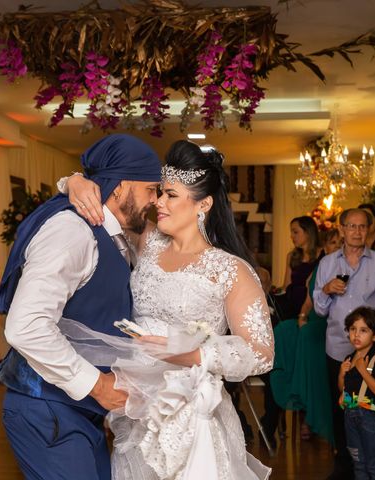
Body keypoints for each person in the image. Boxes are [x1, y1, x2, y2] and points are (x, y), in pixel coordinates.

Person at [66, 140, 274, 479]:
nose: (158, 202)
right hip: (133, 405)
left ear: (203, 203)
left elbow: (262, 353)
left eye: (171, 195)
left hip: (191, 413)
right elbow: (103, 205)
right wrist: (73, 181)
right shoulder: (145, 242)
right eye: (160, 192)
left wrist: (191, 355)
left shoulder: (229, 270)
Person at [0, 134, 162, 480]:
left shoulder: (109, 232)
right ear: (119, 188)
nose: (155, 200)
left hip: (76, 411)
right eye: (150, 189)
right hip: (46, 409)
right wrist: (98, 386)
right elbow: (25, 326)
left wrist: (72, 180)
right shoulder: (72, 232)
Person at [313, 208, 375, 480]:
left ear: (369, 230)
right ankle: (346, 466)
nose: (356, 231)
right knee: (342, 408)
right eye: (351, 226)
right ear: (341, 230)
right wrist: (326, 290)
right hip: (338, 348)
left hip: (373, 353)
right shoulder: (327, 263)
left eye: (362, 226)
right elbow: (319, 309)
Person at [270, 227, 341, 444]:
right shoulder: (320, 267)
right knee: (283, 331)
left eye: (339, 243)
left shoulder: (345, 267)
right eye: (331, 243)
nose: (335, 247)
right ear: (324, 247)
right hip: (313, 317)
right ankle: (289, 396)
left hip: (332, 322)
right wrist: (302, 315)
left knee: (308, 335)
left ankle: (309, 412)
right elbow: (309, 300)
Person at [339, 307, 375, 480]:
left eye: (363, 330)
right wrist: (342, 373)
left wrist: (364, 371)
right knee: (358, 463)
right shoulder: (349, 358)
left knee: (373, 464)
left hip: (370, 418)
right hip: (350, 416)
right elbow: (343, 388)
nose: (356, 335)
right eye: (353, 329)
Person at [279, 216, 323, 319]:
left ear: (308, 232)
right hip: (292, 304)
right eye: (291, 232)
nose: (291, 236)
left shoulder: (323, 254)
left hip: (313, 304)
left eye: (295, 232)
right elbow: (286, 285)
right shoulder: (291, 256)